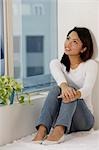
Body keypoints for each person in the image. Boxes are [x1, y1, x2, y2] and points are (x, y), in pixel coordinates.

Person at [33, 27, 98, 145]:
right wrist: (64, 87)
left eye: (75, 42)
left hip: (83, 120)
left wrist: (73, 93)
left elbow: (87, 90)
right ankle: (42, 130)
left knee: (71, 91)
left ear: (83, 48)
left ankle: (59, 131)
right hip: (63, 117)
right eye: (68, 38)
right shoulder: (57, 64)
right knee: (55, 89)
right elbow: (60, 80)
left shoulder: (90, 65)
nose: (68, 43)